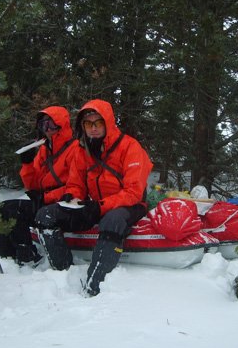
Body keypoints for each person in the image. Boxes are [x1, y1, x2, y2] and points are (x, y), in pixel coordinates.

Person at [34, 99, 153, 296]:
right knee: (45, 215)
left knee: (111, 220)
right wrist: (71, 197)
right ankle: (63, 273)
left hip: (130, 205)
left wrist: (99, 207)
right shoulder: (83, 150)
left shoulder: (130, 147)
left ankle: (95, 285)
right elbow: (76, 184)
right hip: (95, 204)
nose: (93, 129)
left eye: (98, 123)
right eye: (88, 124)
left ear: (108, 122)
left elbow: (133, 192)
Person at [0, 106, 77, 266]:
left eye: (51, 124)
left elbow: (77, 186)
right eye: (43, 125)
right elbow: (32, 185)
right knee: (6, 208)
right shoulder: (44, 150)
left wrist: (46, 197)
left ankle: (27, 257)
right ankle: (9, 255)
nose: (47, 129)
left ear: (61, 125)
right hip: (46, 200)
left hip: (65, 204)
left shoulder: (75, 149)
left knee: (20, 211)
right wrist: (27, 163)